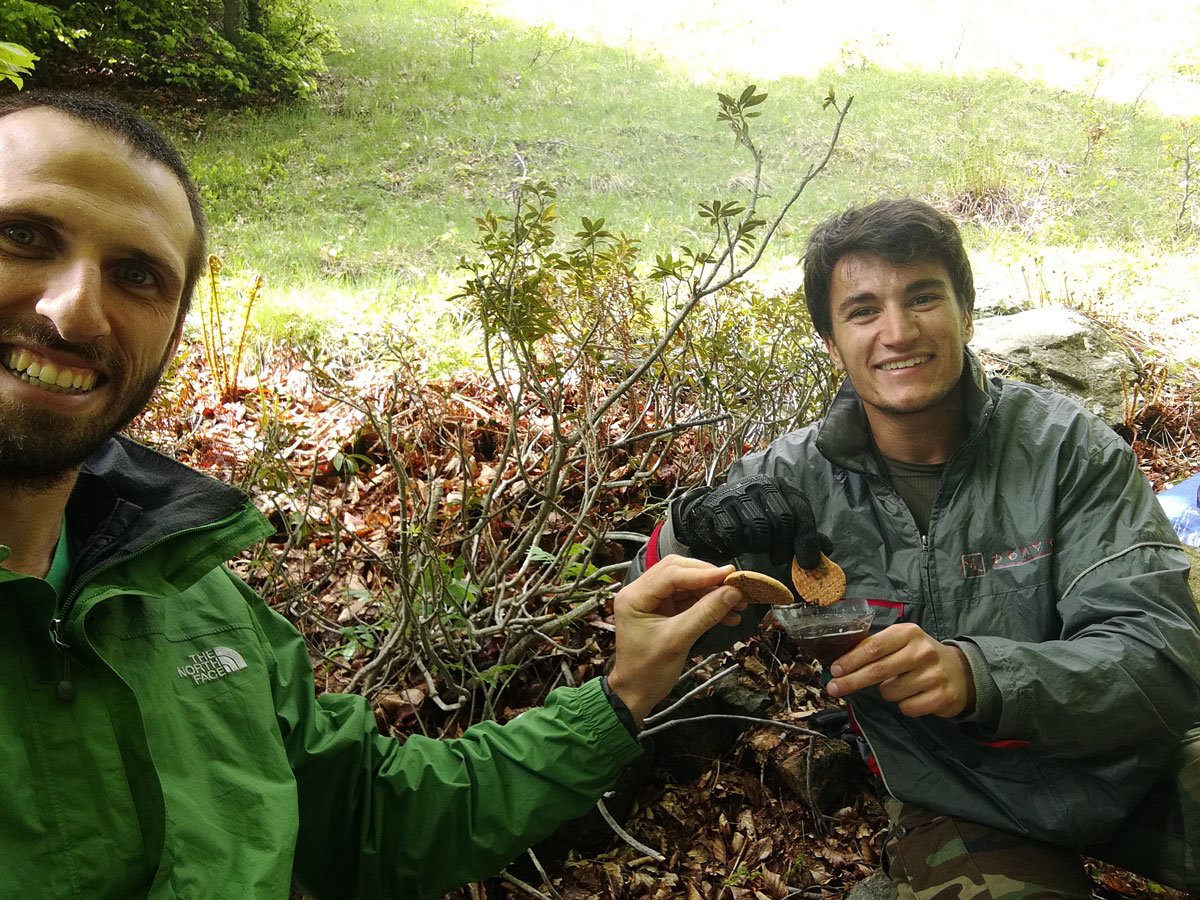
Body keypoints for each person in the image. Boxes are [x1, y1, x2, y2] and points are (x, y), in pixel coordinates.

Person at [0, 91, 753, 898]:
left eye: (137, 275)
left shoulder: (191, 601)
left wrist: (623, 692)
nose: (74, 312)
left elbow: (369, 817)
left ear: (172, 329)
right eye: (23, 236)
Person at [630, 198, 1200, 898]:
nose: (897, 332)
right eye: (863, 310)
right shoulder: (793, 482)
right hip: (957, 791)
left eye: (923, 297)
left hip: (1133, 756)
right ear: (832, 343)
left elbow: (1161, 658)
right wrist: (690, 529)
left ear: (967, 313)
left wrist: (978, 676)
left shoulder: (1067, 450)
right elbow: (653, 623)